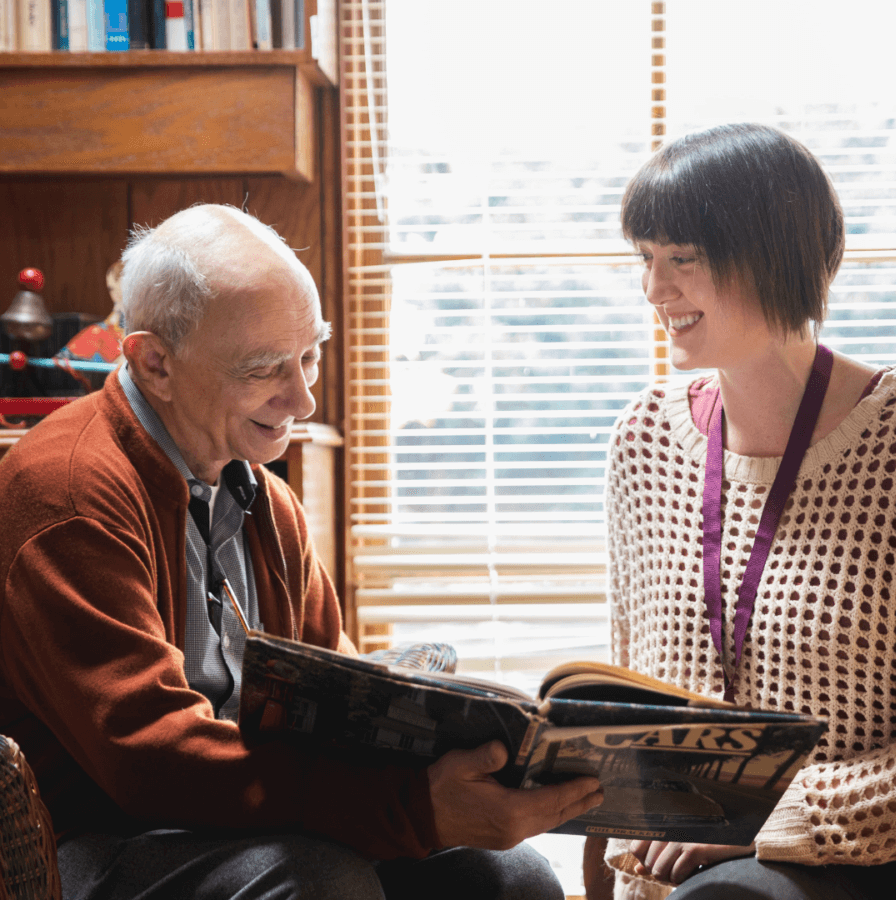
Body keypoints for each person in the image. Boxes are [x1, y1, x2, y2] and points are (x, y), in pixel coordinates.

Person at [0, 204, 602, 900]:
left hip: (253, 820)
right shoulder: (67, 495)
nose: (305, 398)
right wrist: (414, 809)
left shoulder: (263, 497)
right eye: (264, 369)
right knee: (319, 884)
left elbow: (336, 698)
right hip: (93, 839)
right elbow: (147, 759)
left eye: (311, 354)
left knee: (509, 877)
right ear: (155, 363)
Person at [602, 124, 896, 900]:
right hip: (689, 875)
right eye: (645, 259)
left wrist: (780, 815)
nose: (654, 289)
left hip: (886, 862)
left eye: (682, 258)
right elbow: (630, 698)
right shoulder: (643, 440)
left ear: (773, 253)